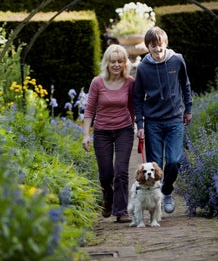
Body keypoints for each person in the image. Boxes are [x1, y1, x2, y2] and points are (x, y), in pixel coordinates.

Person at [133, 26, 193, 214]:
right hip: (153, 123)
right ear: (148, 48)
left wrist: (188, 108)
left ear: (165, 44)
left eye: (160, 46)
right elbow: (138, 98)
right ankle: (155, 201)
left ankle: (167, 191)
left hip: (175, 119)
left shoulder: (177, 60)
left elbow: (186, 84)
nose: (158, 50)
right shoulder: (143, 68)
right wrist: (140, 125)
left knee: (174, 161)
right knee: (155, 162)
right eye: (153, 47)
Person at [82, 44, 135, 223]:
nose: (116, 65)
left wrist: (137, 127)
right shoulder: (97, 82)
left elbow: (133, 108)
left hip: (124, 131)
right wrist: (86, 135)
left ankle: (121, 211)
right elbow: (89, 110)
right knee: (106, 174)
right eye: (113, 61)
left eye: (120, 61)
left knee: (121, 171)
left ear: (125, 63)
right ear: (107, 63)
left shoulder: (130, 83)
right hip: (102, 131)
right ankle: (108, 198)